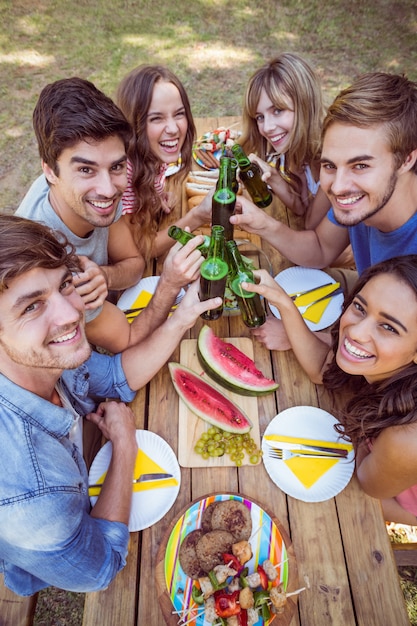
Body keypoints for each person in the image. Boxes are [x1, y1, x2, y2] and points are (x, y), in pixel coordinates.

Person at [0, 215, 221, 596]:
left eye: (64, 285)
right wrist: (124, 446)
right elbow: (100, 569)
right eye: (32, 307)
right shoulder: (31, 499)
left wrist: (183, 316)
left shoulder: (37, 357)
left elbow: (115, 376)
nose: (72, 314)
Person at [230, 72, 417, 350]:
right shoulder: (363, 201)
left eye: (360, 166)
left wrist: (300, 335)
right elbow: (319, 249)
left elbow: (394, 361)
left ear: (406, 159)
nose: (338, 187)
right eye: (330, 166)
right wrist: (260, 223)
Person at [16, 77, 198, 354]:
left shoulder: (86, 194)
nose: (108, 190)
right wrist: (171, 283)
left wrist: (105, 275)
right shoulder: (52, 266)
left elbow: (134, 263)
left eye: (116, 167)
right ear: (50, 171)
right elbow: (127, 339)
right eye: (86, 170)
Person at [243, 255, 417, 525]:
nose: (356, 333)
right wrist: (283, 303)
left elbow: (370, 489)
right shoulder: (384, 368)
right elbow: (322, 370)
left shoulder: (405, 440)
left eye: (388, 327)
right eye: (360, 307)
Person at [116, 64, 212, 261]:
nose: (173, 129)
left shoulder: (153, 151)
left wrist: (154, 195)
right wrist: (196, 217)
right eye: (156, 118)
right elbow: (143, 250)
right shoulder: (123, 178)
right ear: (135, 125)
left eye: (179, 114)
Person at [240, 52, 330, 228]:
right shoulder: (297, 149)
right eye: (259, 117)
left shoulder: (331, 158)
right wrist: (273, 177)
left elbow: (310, 224)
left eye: (278, 110)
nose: (267, 127)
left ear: (305, 104)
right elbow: (303, 208)